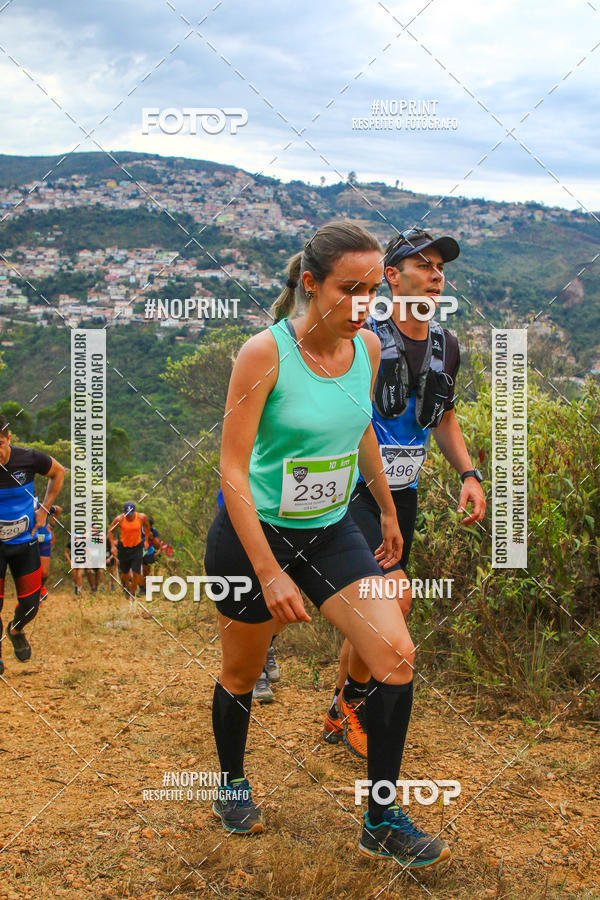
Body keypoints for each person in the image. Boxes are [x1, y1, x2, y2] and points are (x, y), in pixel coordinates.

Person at [204, 221, 451, 867]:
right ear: (310, 284)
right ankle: (231, 781)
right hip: (255, 533)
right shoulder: (265, 353)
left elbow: (361, 430)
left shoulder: (367, 348)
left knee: (395, 656)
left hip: (333, 527)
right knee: (242, 671)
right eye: (348, 289)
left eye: (371, 290)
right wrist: (270, 571)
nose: (362, 305)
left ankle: (380, 816)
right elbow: (231, 469)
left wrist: (389, 510)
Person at [323, 228, 486, 759]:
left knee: (377, 607)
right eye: (424, 265)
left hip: (406, 493)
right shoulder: (362, 336)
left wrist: (469, 474)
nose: (437, 275)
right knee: (395, 595)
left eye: (441, 267)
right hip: (354, 491)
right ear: (392, 277)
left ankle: (340, 707)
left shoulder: (447, 345)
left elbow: (443, 419)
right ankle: (354, 707)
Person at [0, 414, 64, 672]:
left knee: (30, 604)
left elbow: (58, 472)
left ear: (8, 439)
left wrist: (44, 509)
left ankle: (16, 629)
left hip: (24, 543)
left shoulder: (28, 459)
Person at [215, 487, 282, 704]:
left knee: (286, 608)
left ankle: (267, 645)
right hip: (242, 511)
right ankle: (258, 675)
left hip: (287, 519)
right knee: (254, 600)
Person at [107, 502, 151, 597]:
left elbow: (147, 527)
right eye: (127, 514)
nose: (129, 517)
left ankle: (133, 592)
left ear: (134, 512)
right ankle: (127, 588)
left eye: (131, 515)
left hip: (137, 547)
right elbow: (110, 531)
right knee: (125, 572)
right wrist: (112, 546)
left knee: (136, 571)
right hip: (123, 548)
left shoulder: (141, 517)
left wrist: (146, 541)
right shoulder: (119, 519)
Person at [35, 496, 62, 602]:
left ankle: (41, 587)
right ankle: (34, 595)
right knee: (32, 569)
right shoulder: (23, 509)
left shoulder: (42, 507)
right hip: (29, 541)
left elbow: (58, 509)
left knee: (44, 572)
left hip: (44, 540)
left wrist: (51, 525)